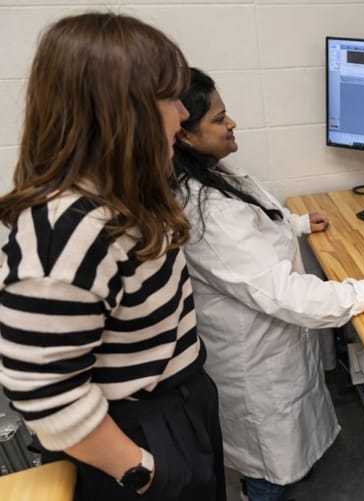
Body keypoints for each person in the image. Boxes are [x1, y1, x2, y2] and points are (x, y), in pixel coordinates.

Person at [0, 13, 226, 501]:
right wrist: (142, 471)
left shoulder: (128, 193)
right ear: (122, 113)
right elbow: (43, 391)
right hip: (135, 434)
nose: (182, 115)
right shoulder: (64, 233)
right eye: (169, 99)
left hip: (181, 400)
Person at [172, 67, 364, 501]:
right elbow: (282, 293)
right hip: (256, 364)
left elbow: (254, 227)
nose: (231, 123)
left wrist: (296, 223)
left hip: (271, 346)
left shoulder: (209, 180)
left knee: (288, 435)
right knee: (270, 465)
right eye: (219, 118)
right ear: (185, 135)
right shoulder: (209, 212)